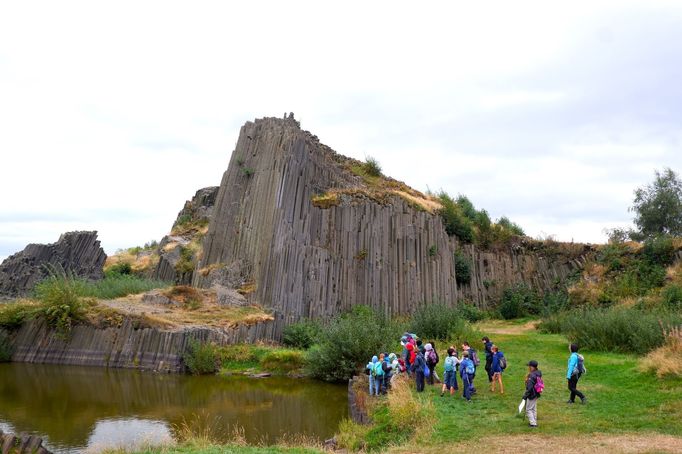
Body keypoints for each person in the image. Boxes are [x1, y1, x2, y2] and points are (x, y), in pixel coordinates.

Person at [522, 360, 543, 428]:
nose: (528, 367)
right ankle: (534, 421)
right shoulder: (538, 372)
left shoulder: (531, 375)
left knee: (528, 409)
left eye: (529, 366)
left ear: (532, 367)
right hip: (536, 393)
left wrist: (525, 396)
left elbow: (529, 388)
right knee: (533, 408)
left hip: (532, 394)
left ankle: (533, 424)